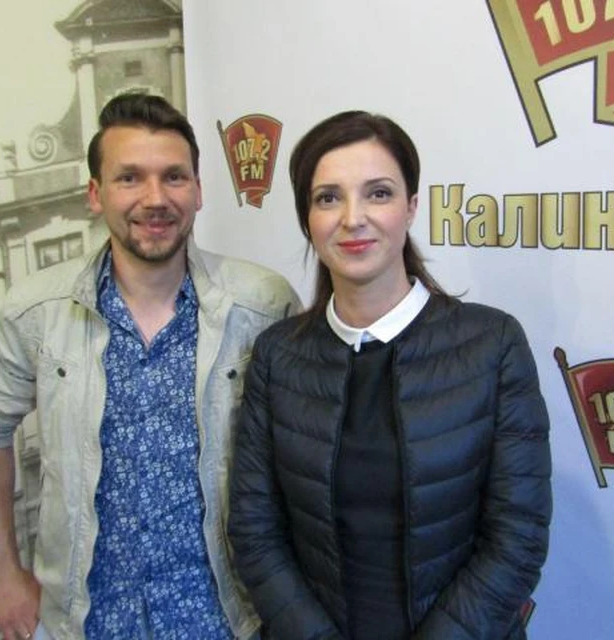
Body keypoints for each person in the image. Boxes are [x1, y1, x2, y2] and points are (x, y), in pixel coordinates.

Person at [0, 93, 300, 640]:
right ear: (96, 194)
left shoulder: (262, 305)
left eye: (174, 177)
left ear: (198, 191)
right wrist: (1, 573)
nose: (155, 198)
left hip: (223, 620)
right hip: (90, 621)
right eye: (129, 178)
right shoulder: (35, 313)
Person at [228, 111, 552, 640]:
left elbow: (518, 537)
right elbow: (255, 532)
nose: (353, 218)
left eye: (378, 193)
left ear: (411, 207)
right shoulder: (277, 357)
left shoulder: (492, 345)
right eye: (328, 198)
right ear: (307, 218)